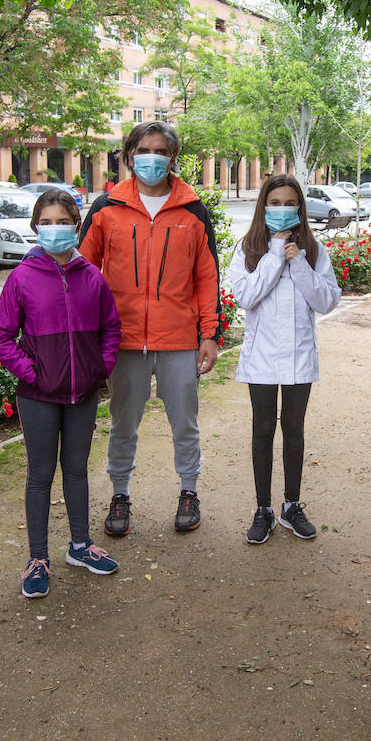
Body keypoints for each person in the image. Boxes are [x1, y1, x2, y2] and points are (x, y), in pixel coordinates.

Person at [78, 121, 221, 536]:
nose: (152, 158)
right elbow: (84, 269)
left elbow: (207, 277)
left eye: (160, 151)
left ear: (172, 158)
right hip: (122, 341)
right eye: (144, 150)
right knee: (123, 424)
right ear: (129, 154)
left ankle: (189, 491)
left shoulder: (193, 210)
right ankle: (120, 494)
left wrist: (209, 333)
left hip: (178, 340)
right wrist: (88, 330)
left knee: (185, 424)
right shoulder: (107, 208)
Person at [0, 189, 122, 598]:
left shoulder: (92, 277)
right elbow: (0, 335)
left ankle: (80, 547)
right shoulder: (23, 277)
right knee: (41, 475)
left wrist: (98, 369)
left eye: (61, 221)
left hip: (82, 395)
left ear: (76, 225)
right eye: (44, 222)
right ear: (35, 227)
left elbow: (111, 330)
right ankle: (38, 558)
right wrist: (30, 372)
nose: (53, 229)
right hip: (38, 396)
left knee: (78, 470)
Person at [228, 174, 341, 543]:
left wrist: (299, 263)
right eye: (274, 203)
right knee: (262, 428)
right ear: (263, 206)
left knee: (293, 428)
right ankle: (264, 509)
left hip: (298, 355)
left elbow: (326, 301)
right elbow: (246, 297)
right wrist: (275, 255)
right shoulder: (247, 248)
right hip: (261, 356)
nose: (281, 209)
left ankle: (292, 505)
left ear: (300, 207)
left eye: (289, 202)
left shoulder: (314, 248)